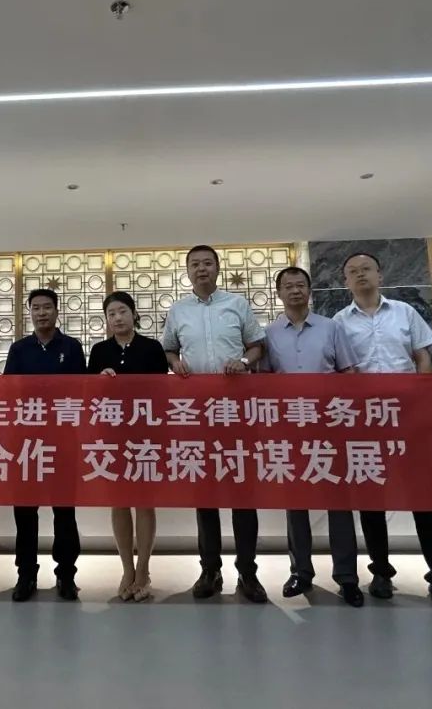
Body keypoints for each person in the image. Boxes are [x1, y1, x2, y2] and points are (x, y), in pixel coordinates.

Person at [333, 252, 432, 611]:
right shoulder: (339, 322)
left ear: (380, 274)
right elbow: (341, 370)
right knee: (372, 500)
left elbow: (423, 357)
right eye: (353, 271)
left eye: (366, 269)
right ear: (345, 281)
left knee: (425, 498)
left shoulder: (405, 312)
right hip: (364, 421)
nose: (360, 275)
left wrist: (422, 401)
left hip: (409, 419)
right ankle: (381, 572)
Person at [161, 245, 267, 603]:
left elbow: (257, 346)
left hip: (236, 413)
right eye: (195, 264)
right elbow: (169, 348)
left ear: (218, 268)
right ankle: (210, 570)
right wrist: (174, 363)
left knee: (242, 494)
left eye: (207, 263)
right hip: (196, 414)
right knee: (204, 495)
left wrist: (244, 362)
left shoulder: (237, 304)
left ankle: (248, 572)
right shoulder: (178, 310)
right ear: (187, 271)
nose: (201, 269)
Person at [264, 267, 365, 607]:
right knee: (296, 503)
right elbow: (263, 383)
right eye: (288, 286)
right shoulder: (269, 334)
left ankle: (347, 576)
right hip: (289, 428)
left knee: (339, 502)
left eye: (300, 285)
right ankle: (300, 572)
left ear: (310, 291)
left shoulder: (331, 328)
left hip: (329, 425)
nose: (295, 291)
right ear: (279, 293)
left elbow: (349, 373)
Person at [3, 288, 86, 601]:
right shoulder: (19, 349)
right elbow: (9, 392)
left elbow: (81, 391)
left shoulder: (72, 347)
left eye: (47, 307)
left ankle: (66, 575)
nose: (41, 313)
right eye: (36, 308)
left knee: (64, 511)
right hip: (26, 443)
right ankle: (26, 575)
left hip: (63, 441)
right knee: (25, 512)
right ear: (30, 313)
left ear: (56, 311)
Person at [88, 292, 169, 602]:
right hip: (112, 436)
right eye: (111, 313)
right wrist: (100, 379)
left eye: (122, 311)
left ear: (134, 314)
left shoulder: (152, 348)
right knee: (119, 501)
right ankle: (127, 569)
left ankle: (144, 569)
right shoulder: (99, 351)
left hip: (146, 436)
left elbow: (162, 392)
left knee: (144, 502)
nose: (117, 317)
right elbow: (88, 394)